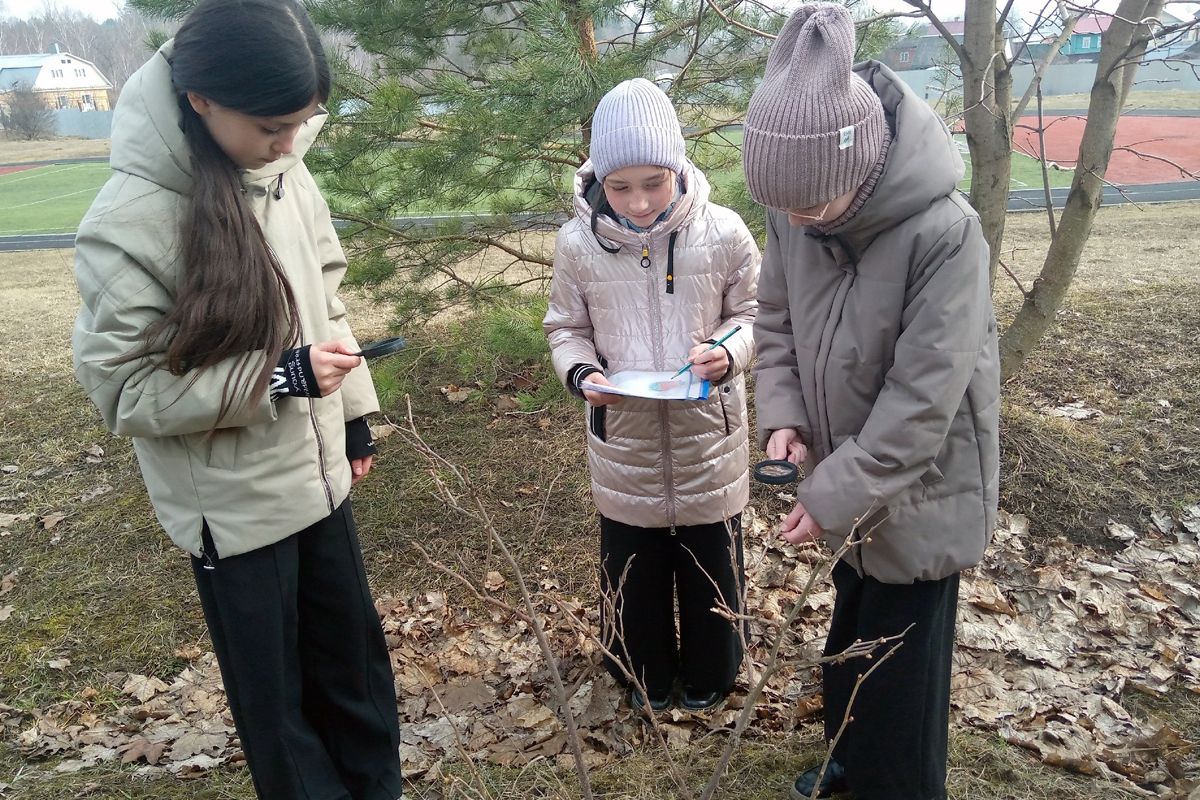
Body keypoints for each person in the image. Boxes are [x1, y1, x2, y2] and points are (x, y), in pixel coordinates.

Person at [71, 1, 403, 798]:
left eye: (303, 121)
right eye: (271, 127)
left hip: (318, 477)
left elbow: (328, 295)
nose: (288, 144)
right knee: (281, 711)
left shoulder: (286, 170)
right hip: (233, 507)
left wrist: (354, 414)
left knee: (356, 675)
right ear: (201, 102)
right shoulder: (127, 223)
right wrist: (277, 377)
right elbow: (125, 391)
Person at [743, 5, 1000, 800]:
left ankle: (897, 784)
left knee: (902, 671)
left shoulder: (945, 234)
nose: (791, 223)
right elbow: (776, 320)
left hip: (922, 489)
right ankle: (851, 768)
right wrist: (784, 418)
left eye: (809, 209)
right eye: (780, 209)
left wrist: (828, 492)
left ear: (860, 166)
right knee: (850, 641)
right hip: (843, 477)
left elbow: (922, 401)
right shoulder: (796, 206)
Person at [543, 78, 760, 714]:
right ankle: (643, 679)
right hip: (625, 440)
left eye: (653, 183)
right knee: (633, 573)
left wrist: (729, 351)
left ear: (679, 169)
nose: (638, 202)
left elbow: (758, 312)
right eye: (621, 187)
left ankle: (711, 677)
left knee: (710, 569)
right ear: (598, 181)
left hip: (708, 439)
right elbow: (566, 329)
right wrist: (582, 377)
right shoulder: (577, 245)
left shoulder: (722, 232)